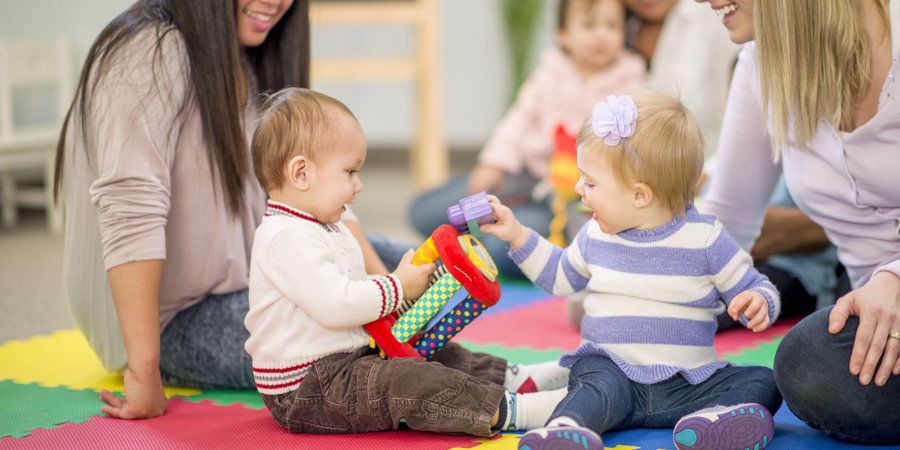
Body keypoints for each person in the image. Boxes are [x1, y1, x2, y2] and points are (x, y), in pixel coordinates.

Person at [53, 0, 400, 420]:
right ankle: (476, 384)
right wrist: (143, 370)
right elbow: (131, 209)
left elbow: (323, 202)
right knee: (357, 329)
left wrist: (386, 280)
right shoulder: (147, 50)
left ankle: (470, 370)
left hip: (257, 273)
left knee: (423, 263)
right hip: (176, 318)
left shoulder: (250, 55)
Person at [244, 87, 569, 436]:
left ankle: (518, 378)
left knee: (435, 351)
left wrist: (406, 297)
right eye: (350, 172)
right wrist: (398, 286)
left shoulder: (323, 226)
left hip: (345, 359)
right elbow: (336, 304)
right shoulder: (283, 237)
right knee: (407, 380)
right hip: (308, 388)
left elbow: (354, 289)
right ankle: (510, 410)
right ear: (301, 174)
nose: (359, 186)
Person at [481, 93, 782, 450]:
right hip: (613, 376)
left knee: (766, 379)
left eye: (590, 183)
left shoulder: (706, 238)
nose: (579, 189)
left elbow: (753, 284)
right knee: (590, 387)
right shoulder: (595, 234)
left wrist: (759, 300)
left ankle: (715, 420)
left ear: (639, 195)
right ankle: (566, 429)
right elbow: (561, 275)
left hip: (686, 386)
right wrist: (517, 235)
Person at [697, 0, 900, 444]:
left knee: (805, 360)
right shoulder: (761, 67)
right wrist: (641, 288)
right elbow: (725, 220)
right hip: (873, 316)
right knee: (814, 363)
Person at [408, 0, 646, 277]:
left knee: (499, 249)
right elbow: (516, 122)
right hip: (518, 178)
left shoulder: (632, 82)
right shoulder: (549, 74)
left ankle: (475, 246)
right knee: (424, 212)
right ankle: (468, 236)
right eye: (589, 25)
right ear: (563, 34)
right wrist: (492, 165)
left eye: (612, 26)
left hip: (563, 202)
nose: (601, 35)